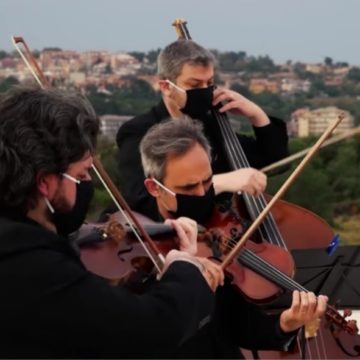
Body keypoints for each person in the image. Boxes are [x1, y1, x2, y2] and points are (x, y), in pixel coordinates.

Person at [0, 86, 224, 358]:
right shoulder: (30, 263)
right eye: (81, 175)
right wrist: (184, 269)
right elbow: (148, 330)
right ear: (45, 183)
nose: (87, 185)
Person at [139, 118, 328, 359]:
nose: (201, 194)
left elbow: (238, 326)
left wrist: (285, 324)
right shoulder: (135, 240)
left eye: (207, 182)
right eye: (188, 188)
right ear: (154, 188)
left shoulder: (218, 229)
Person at [116, 39, 288, 219]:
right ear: (166, 87)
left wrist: (256, 114)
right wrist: (221, 183)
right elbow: (141, 201)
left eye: (209, 83)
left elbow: (275, 160)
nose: (205, 91)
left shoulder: (210, 125)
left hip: (223, 234)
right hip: (171, 239)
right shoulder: (138, 131)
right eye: (195, 85)